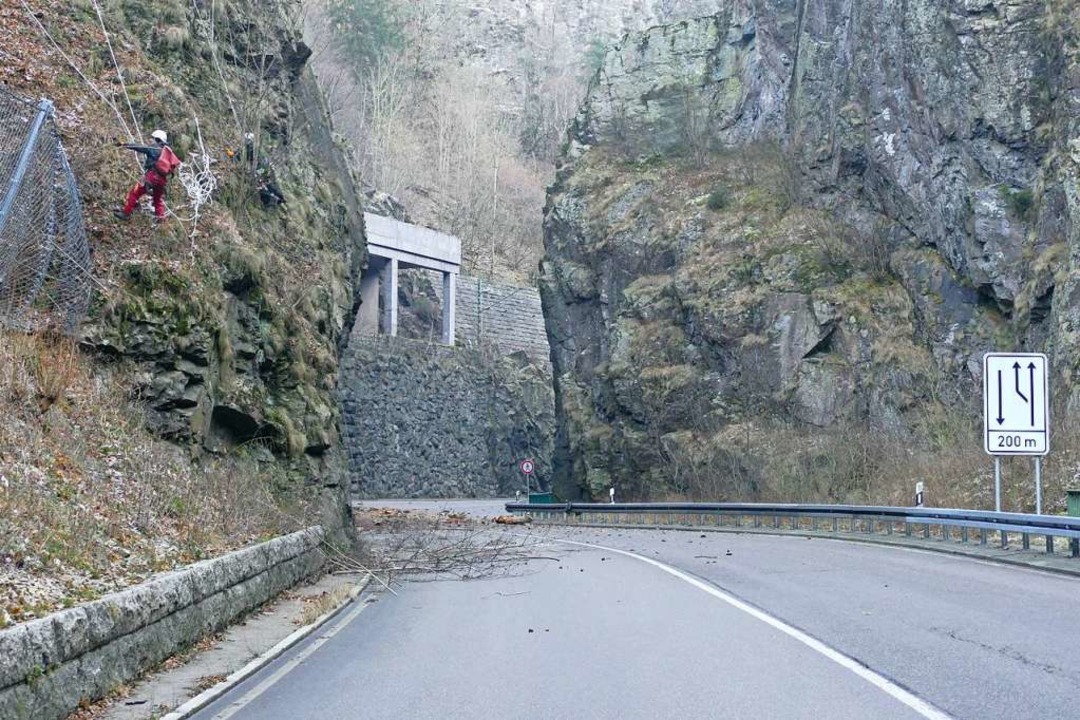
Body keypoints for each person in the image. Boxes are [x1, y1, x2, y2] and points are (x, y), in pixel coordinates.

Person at [114, 130, 180, 221]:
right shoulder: (167, 151)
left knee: (134, 193)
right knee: (157, 200)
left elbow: (139, 147)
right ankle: (162, 220)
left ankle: (126, 213)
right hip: (162, 180)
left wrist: (123, 144)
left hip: (152, 176)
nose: (151, 140)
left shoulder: (154, 148)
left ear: (157, 139)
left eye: (153, 138)